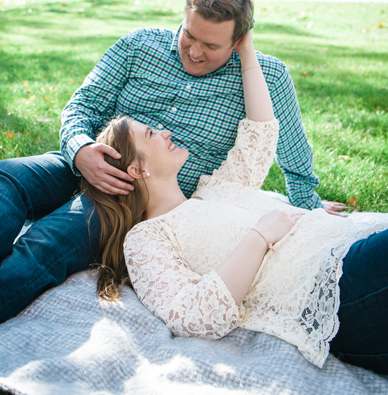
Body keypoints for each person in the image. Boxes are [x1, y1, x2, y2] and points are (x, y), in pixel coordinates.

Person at [0, 0, 345, 343]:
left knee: (49, 241)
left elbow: (291, 151)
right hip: (90, 159)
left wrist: (307, 206)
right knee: (4, 177)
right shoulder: (138, 45)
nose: (195, 52)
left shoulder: (265, 76)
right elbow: (83, 105)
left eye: (211, 46)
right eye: (189, 36)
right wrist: (80, 149)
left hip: (138, 197)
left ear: (239, 40)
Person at [83, 27, 388, 373]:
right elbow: (192, 317)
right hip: (335, 291)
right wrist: (258, 238)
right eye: (151, 133)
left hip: (353, 251)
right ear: (137, 170)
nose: (165, 131)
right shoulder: (146, 239)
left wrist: (246, 52)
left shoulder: (214, 186)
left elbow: (260, 132)